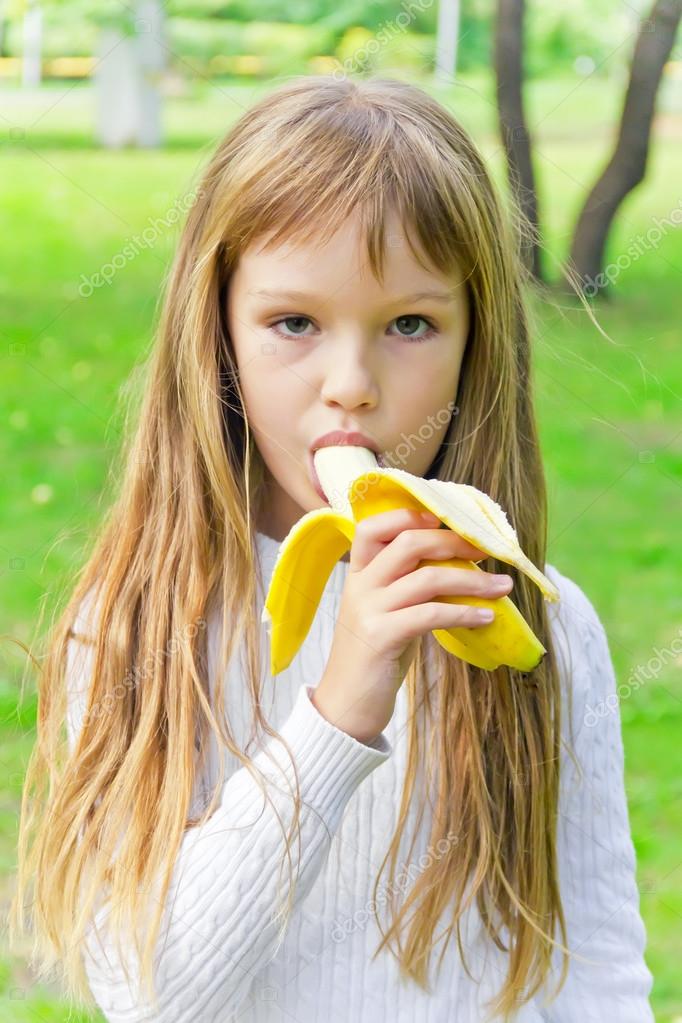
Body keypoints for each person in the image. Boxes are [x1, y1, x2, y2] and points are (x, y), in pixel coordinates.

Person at [10, 75, 655, 1023]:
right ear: (217, 337)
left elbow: (594, 972)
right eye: (294, 323)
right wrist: (341, 707)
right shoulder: (135, 625)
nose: (349, 384)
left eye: (409, 325)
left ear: (477, 344)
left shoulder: (535, 627)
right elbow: (152, 995)